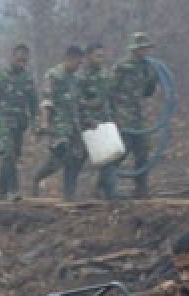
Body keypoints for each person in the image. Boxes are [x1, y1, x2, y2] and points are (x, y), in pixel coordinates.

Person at [0, 43, 38, 201]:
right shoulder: (1, 77)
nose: (22, 62)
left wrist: (36, 125)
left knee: (13, 157)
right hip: (2, 121)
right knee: (8, 154)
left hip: (19, 123)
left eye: (24, 60)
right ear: (12, 57)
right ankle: (14, 191)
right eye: (19, 59)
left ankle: (1, 191)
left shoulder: (28, 79)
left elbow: (33, 104)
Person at [31, 46, 84, 201]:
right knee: (62, 156)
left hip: (73, 126)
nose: (79, 66)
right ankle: (37, 178)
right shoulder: (54, 75)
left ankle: (70, 194)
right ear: (68, 58)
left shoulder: (75, 79)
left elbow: (77, 103)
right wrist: (45, 122)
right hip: (58, 126)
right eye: (77, 63)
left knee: (75, 158)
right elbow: (47, 100)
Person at [110, 32, 158, 199]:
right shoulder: (121, 67)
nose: (145, 51)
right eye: (142, 48)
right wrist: (113, 114)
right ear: (134, 49)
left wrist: (153, 80)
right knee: (122, 150)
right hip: (124, 115)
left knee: (142, 151)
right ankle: (105, 185)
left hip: (138, 116)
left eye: (146, 48)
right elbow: (110, 90)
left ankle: (141, 189)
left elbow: (147, 92)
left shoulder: (148, 68)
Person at [75, 42, 119, 201]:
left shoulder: (107, 76)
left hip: (104, 124)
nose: (101, 59)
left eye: (102, 56)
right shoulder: (81, 78)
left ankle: (111, 194)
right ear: (88, 57)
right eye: (97, 56)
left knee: (109, 158)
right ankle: (71, 191)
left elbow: (112, 98)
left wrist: (115, 118)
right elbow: (76, 102)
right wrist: (87, 119)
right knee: (77, 159)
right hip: (87, 125)